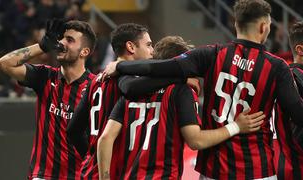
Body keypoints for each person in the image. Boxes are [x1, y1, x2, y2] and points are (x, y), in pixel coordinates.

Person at [102, 0, 303, 179]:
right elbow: (298, 114)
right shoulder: (277, 67)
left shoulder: (211, 54)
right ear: (264, 27)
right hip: (257, 168)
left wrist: (119, 66)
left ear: (235, 24)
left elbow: (158, 66)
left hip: (214, 168)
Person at [97, 35, 265, 179]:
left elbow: (105, 139)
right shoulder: (181, 91)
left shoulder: (130, 94)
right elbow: (195, 140)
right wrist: (236, 126)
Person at [66, 23, 187, 179]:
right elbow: (131, 87)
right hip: (112, 171)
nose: (152, 51)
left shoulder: (95, 81)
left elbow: (73, 130)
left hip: (89, 170)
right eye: (148, 45)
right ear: (130, 46)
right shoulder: (128, 81)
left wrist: (92, 155)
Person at [0, 19, 96, 180]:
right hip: (43, 175)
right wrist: (42, 46)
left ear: (84, 52)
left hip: (80, 175)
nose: (62, 43)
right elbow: (5, 63)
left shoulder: (96, 87)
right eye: (61, 38)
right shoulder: (45, 76)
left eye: (70, 40)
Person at [271, 21, 303, 179]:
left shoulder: (282, 77)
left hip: (278, 163)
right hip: (295, 165)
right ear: (300, 50)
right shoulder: (295, 77)